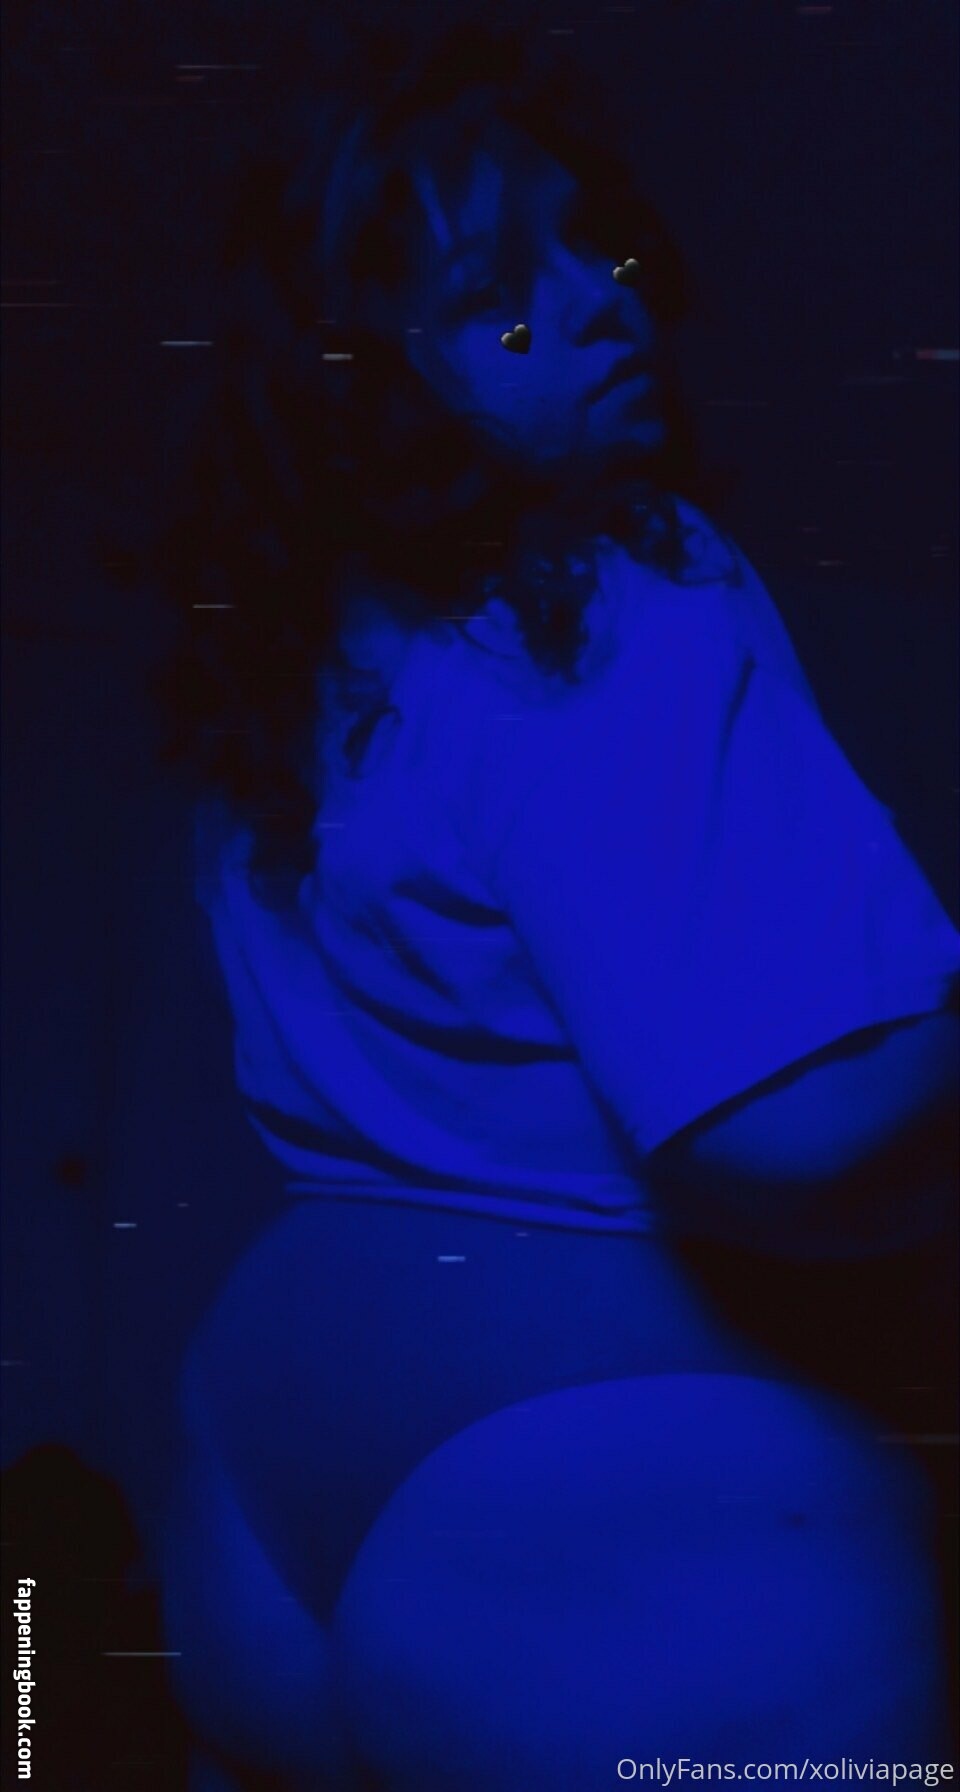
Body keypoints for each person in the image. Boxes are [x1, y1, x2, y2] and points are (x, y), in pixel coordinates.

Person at [151, 21, 960, 1791]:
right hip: (614, 1474)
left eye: (594, 249)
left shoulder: (288, 706)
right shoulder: (607, 577)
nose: (602, 305)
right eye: (496, 298)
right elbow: (792, 1132)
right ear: (366, 381)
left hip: (261, 1471)